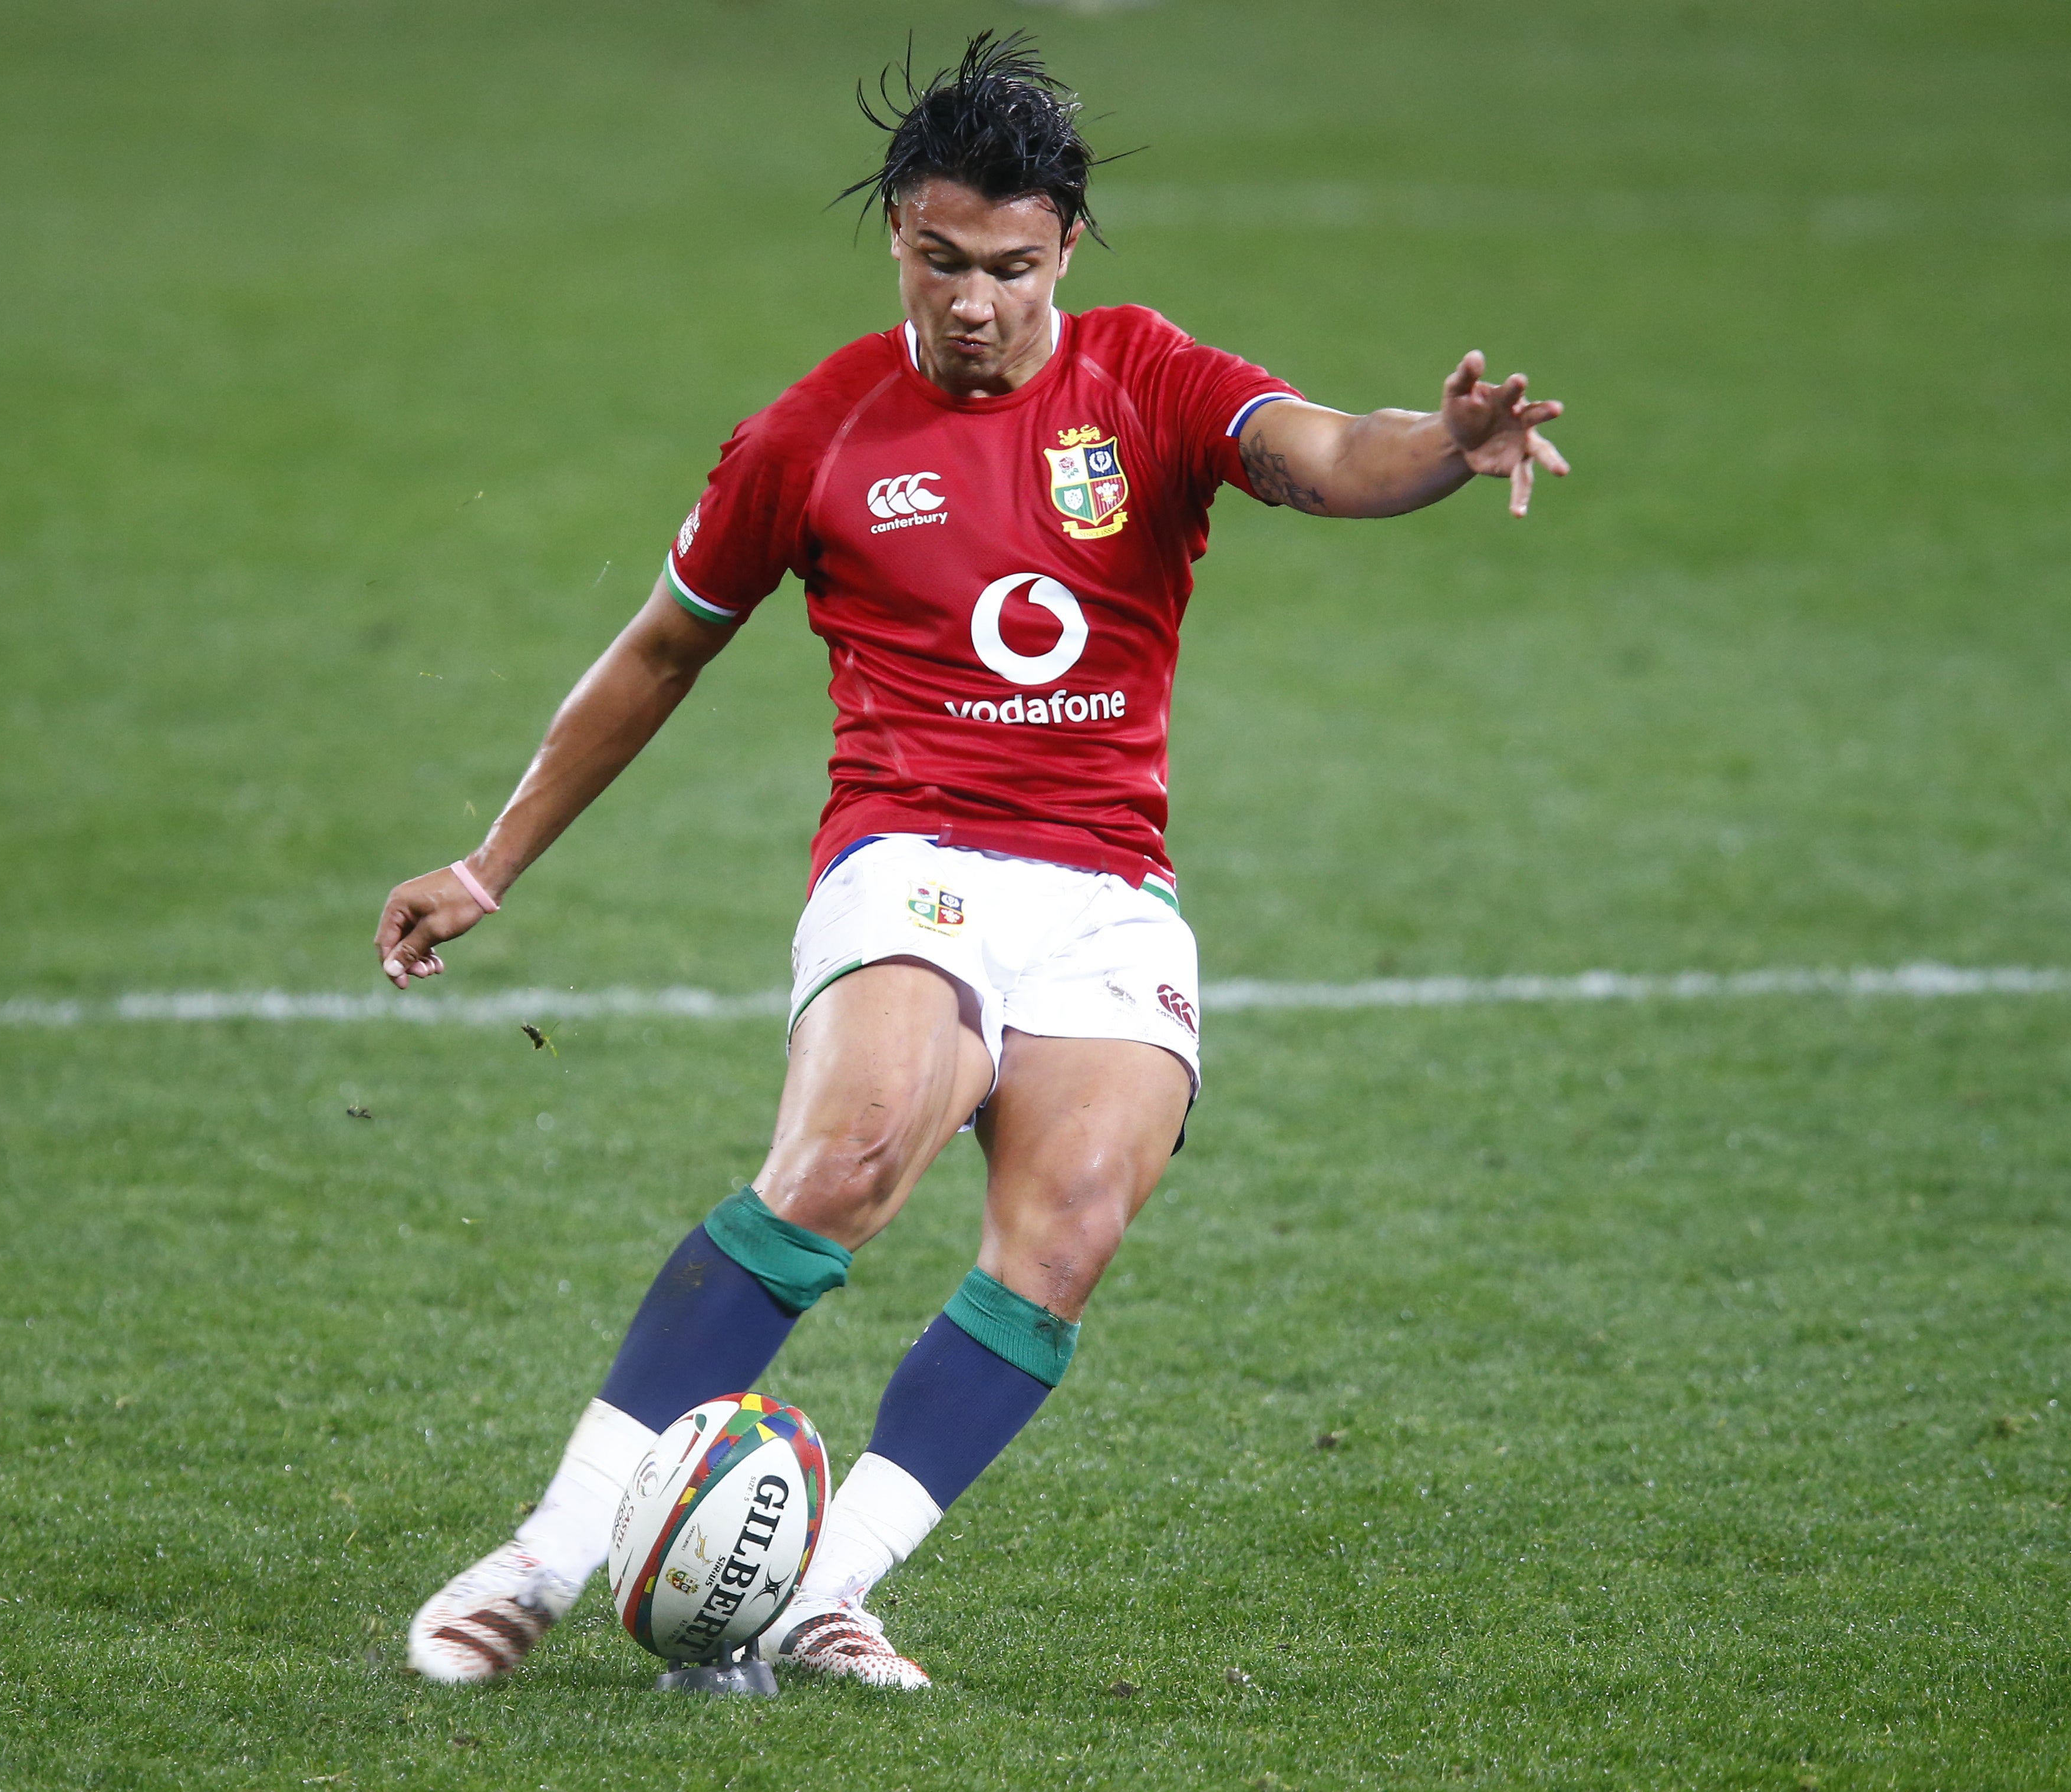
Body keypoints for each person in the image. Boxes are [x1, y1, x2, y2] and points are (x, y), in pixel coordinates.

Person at [378, 32, 1565, 1690]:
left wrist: (1439, 445)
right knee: (852, 1153)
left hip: (1101, 884)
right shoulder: (812, 434)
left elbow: (1321, 450)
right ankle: (540, 1559)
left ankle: (823, 1587)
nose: (975, 303)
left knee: (1069, 1221)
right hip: (910, 853)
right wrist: (493, 861)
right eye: (940, 262)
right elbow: (658, 651)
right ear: (896, 243)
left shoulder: (1145, 379)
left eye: (1011, 267)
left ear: (1065, 247)